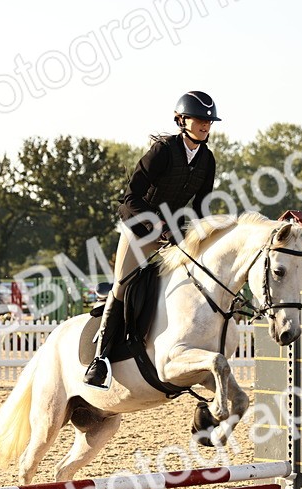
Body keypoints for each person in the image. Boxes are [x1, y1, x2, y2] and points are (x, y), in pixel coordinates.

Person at [84, 90, 220, 389]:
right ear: (181, 120)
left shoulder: (207, 160)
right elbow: (129, 197)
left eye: (209, 121)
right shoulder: (162, 151)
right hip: (140, 230)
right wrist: (154, 222)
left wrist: (192, 232)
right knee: (122, 287)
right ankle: (101, 360)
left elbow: (200, 207)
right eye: (200, 120)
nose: (206, 126)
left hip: (173, 234)